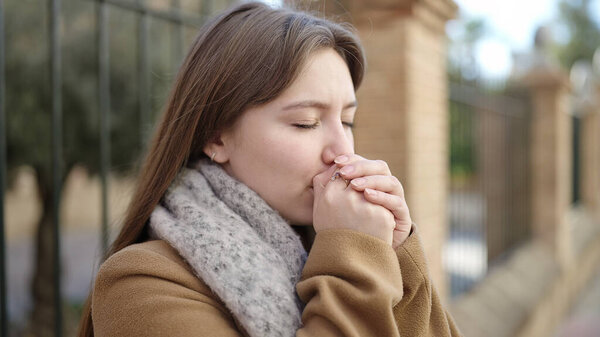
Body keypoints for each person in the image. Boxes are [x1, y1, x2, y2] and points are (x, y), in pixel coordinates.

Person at [77, 2, 462, 336]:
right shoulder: (141, 284)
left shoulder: (341, 247)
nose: (342, 151)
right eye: (306, 122)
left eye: (347, 121)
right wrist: (356, 257)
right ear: (216, 137)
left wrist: (395, 256)